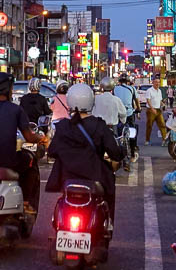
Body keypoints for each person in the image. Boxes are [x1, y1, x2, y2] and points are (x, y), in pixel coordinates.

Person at [0, 72, 47, 214]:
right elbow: (29, 137)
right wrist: (41, 138)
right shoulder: (15, 109)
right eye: (11, 88)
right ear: (6, 89)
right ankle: (26, 201)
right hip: (9, 161)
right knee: (30, 162)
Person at [46, 83, 124, 222]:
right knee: (109, 186)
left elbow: (52, 151)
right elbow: (115, 153)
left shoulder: (63, 126)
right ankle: (108, 222)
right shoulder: (99, 126)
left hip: (66, 178)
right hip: (94, 178)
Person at [113, 75, 140, 158]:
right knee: (133, 130)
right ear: (128, 82)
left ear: (119, 82)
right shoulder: (132, 89)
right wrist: (138, 109)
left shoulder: (115, 89)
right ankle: (133, 151)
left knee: (116, 131)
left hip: (117, 113)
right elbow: (137, 101)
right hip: (128, 113)